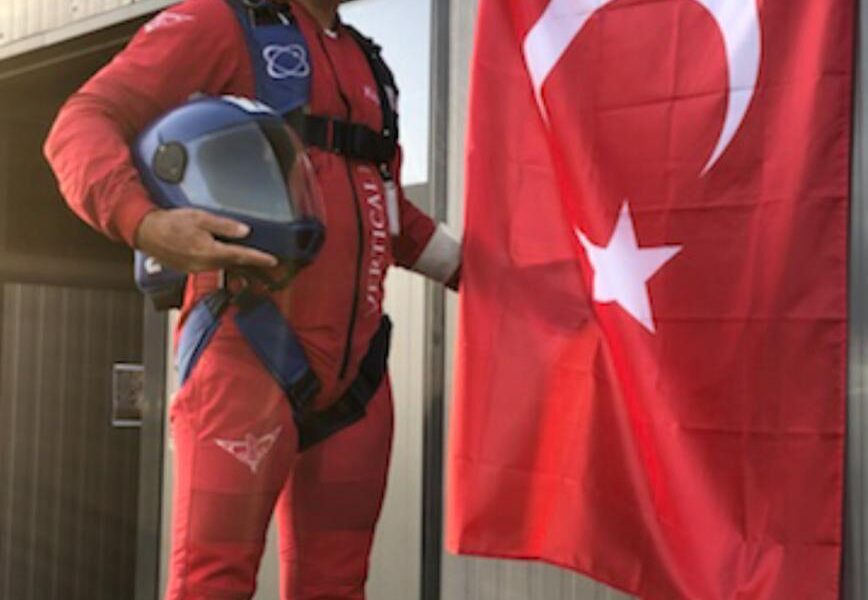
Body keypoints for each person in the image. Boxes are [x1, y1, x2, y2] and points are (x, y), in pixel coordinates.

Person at [43, 1, 461, 598]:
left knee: (338, 588)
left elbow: (389, 212)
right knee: (211, 584)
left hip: (359, 379)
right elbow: (80, 123)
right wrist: (146, 223)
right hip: (248, 352)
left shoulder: (369, 64)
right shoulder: (219, 22)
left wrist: (496, 275)